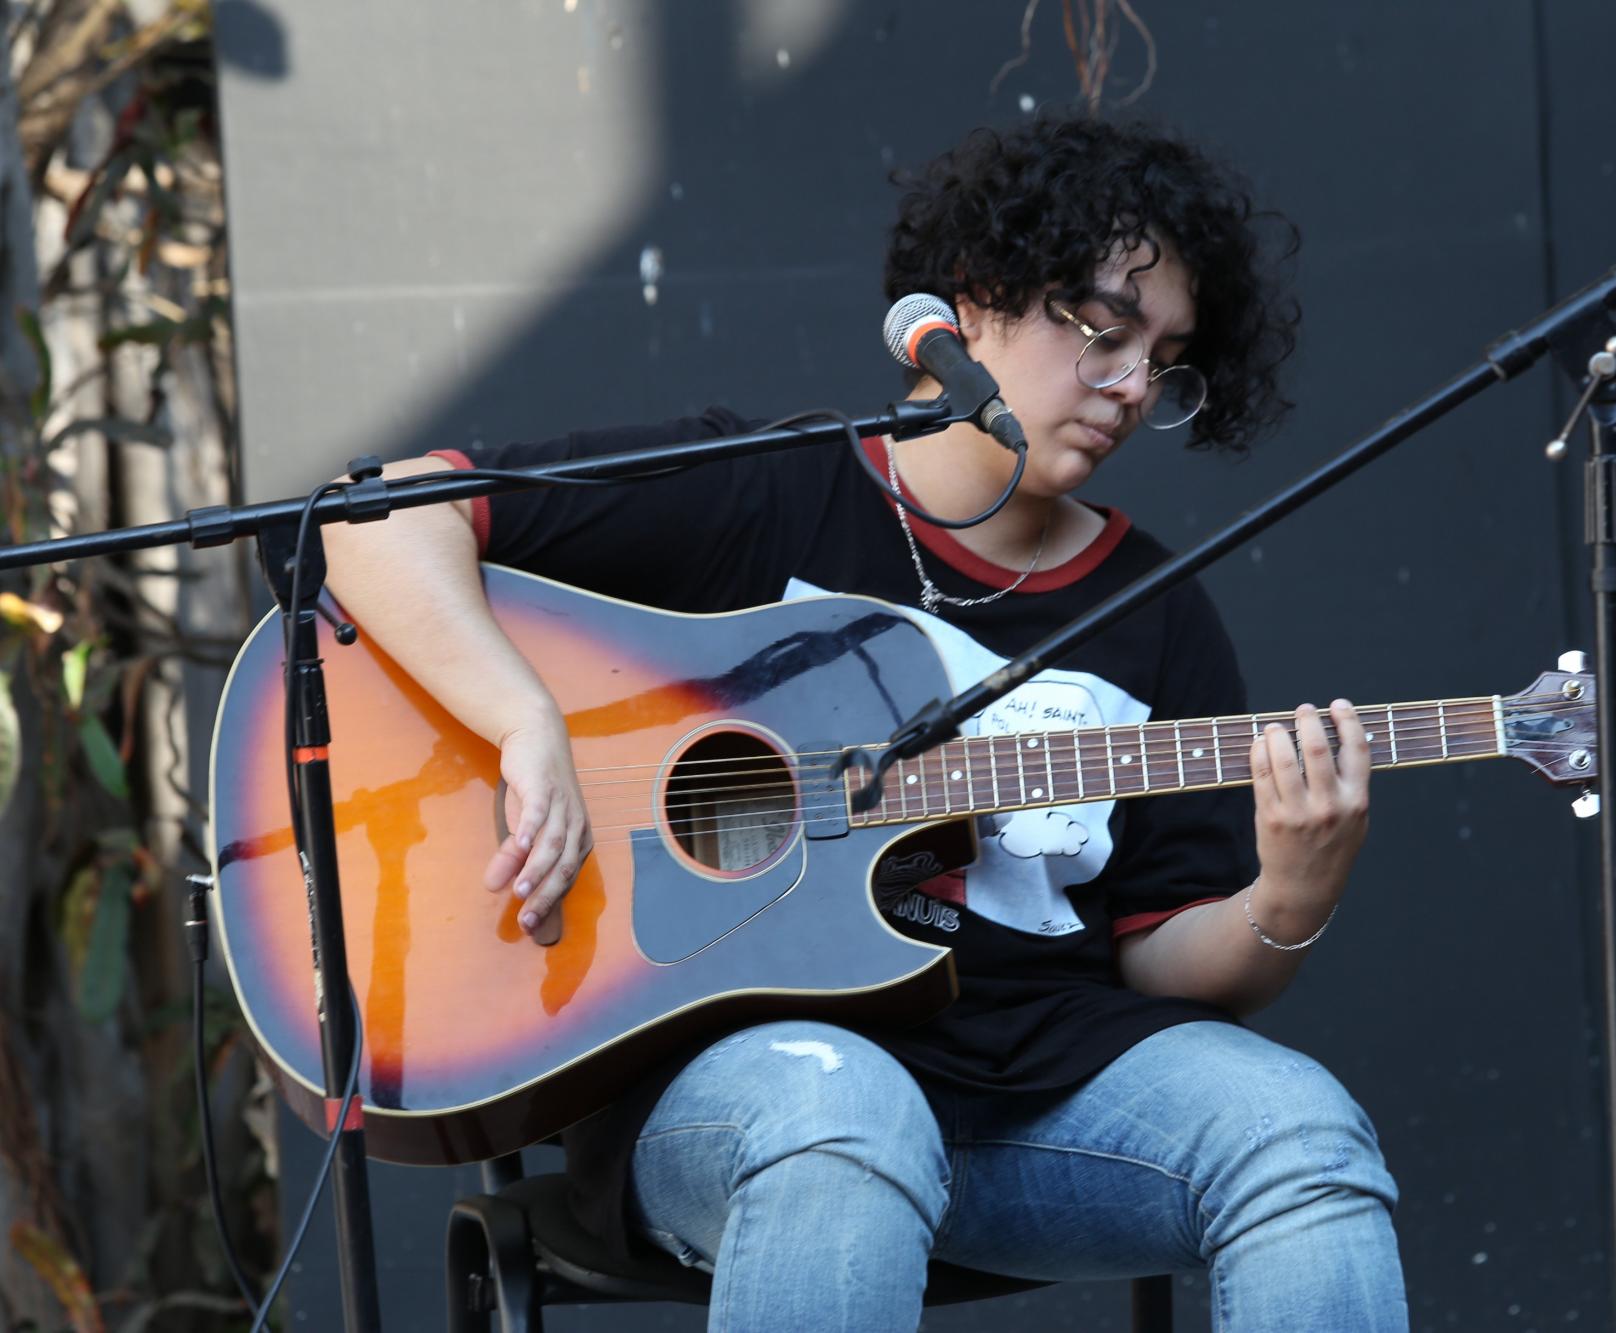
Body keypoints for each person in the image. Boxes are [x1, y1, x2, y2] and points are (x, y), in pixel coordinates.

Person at [323, 114, 1407, 1331]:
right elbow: (376, 518)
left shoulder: (1155, 609)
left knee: (1296, 1130)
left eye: (1165, 359)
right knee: (847, 1113)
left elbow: (1157, 952)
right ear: (976, 298)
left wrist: (1290, 892)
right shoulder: (770, 492)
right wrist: (522, 719)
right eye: (1102, 331)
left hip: (1040, 1097)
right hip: (741, 1089)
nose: (1129, 386)